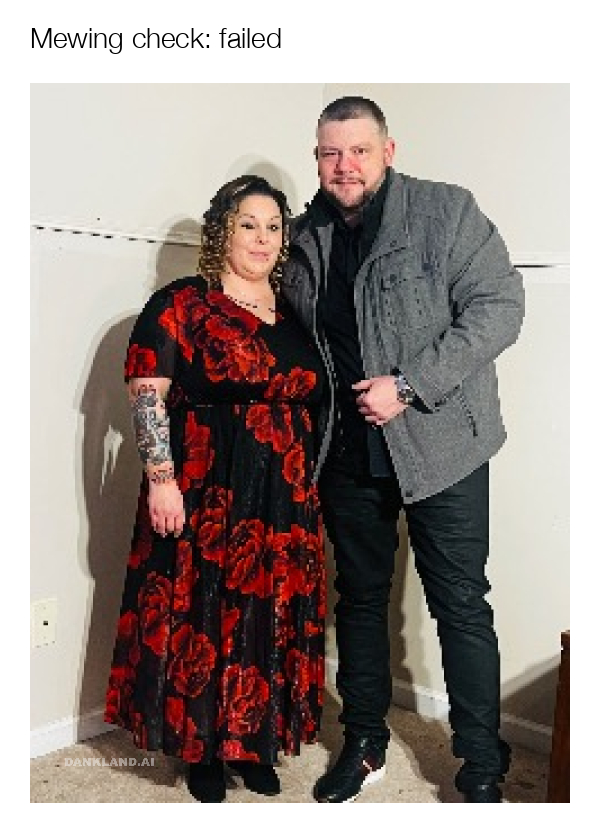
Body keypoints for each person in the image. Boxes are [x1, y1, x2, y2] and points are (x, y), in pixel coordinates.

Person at [281, 96, 525, 803]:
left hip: (444, 444)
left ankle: (481, 760)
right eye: (331, 153)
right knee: (359, 599)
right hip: (347, 454)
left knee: (460, 602)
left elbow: (500, 306)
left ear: (388, 151)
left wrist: (410, 385)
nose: (345, 165)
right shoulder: (302, 239)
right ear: (316, 158)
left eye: (359, 150)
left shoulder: (446, 211)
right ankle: (364, 743)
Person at [104, 175, 328, 803]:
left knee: (267, 615)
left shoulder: (296, 311)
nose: (262, 238)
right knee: (203, 611)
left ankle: (253, 742)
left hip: (284, 498)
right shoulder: (182, 302)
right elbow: (147, 396)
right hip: (207, 488)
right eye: (247, 225)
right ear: (221, 232)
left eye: (273, 227)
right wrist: (161, 480)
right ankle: (202, 749)